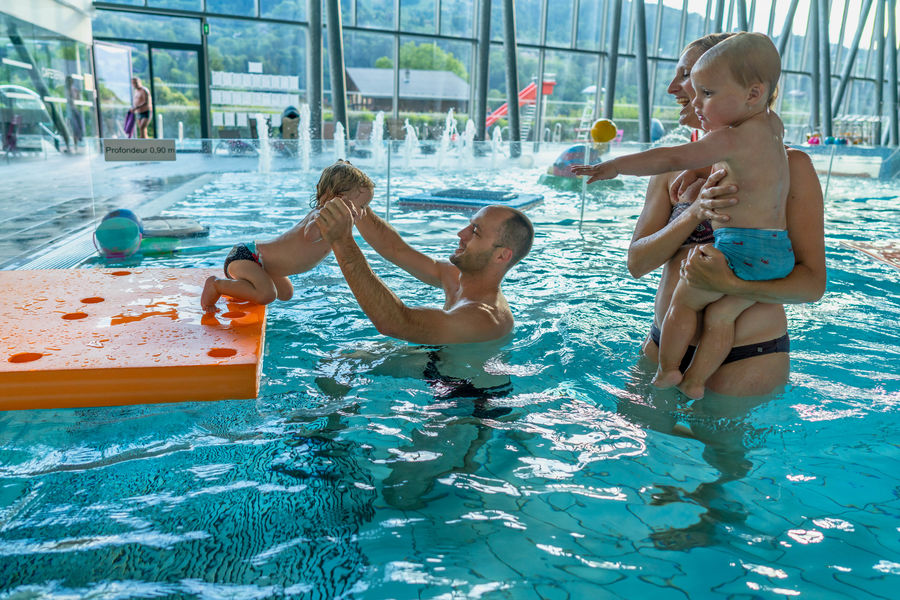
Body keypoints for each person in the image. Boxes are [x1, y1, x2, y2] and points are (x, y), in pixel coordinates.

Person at [624, 33, 826, 398]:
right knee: (639, 449)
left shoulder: (790, 166)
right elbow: (637, 263)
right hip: (664, 345)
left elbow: (812, 284)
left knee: (724, 456)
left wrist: (734, 287)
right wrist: (694, 213)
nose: (674, 87)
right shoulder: (671, 168)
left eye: (687, 75)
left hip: (748, 356)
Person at [314, 201, 534, 345]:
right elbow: (396, 249)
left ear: (501, 256)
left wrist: (341, 241)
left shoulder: (484, 318)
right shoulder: (455, 278)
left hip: (467, 404)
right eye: (469, 225)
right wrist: (355, 205)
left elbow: (396, 323)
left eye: (475, 231)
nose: (461, 233)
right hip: (438, 366)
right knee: (341, 364)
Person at [201, 161, 375, 311]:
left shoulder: (333, 224)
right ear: (339, 200)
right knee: (267, 294)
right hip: (248, 257)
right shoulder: (320, 215)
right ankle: (215, 284)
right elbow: (310, 234)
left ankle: (242, 288)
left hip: (263, 266)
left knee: (286, 294)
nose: (363, 212)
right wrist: (333, 213)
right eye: (361, 207)